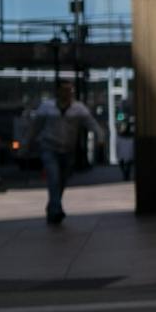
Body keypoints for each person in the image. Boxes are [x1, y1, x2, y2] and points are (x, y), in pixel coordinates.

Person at [25, 80, 95, 225]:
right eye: (65, 90)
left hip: (68, 150)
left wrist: (100, 136)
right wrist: (27, 143)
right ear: (58, 92)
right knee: (54, 177)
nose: (68, 93)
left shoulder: (78, 108)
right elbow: (35, 127)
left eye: (70, 90)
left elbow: (91, 122)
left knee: (62, 180)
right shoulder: (46, 108)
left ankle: (52, 206)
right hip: (49, 148)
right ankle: (56, 209)